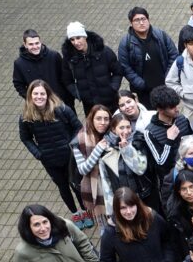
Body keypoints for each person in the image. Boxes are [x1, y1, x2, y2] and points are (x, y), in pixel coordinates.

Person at [18, 80, 90, 228]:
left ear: (48, 94)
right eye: (35, 94)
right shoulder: (26, 116)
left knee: (75, 184)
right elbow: (25, 138)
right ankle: (75, 213)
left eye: (42, 93)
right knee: (63, 187)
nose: (39, 97)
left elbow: (78, 128)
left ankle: (85, 210)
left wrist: (72, 146)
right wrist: (38, 153)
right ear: (30, 96)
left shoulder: (62, 109)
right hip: (49, 159)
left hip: (69, 157)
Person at [70, 104, 123, 230]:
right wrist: (98, 149)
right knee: (105, 226)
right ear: (91, 119)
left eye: (106, 119)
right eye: (98, 118)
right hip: (97, 189)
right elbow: (83, 169)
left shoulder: (113, 135)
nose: (103, 122)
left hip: (114, 184)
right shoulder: (79, 141)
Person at [117, 8, 178, 109]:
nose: (141, 23)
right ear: (131, 23)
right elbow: (125, 67)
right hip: (143, 92)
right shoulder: (126, 43)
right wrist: (140, 83)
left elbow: (173, 55)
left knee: (169, 113)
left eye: (143, 19)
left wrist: (169, 77)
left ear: (148, 20)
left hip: (165, 87)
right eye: (137, 20)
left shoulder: (160, 35)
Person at [100, 114, 159, 213]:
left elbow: (140, 169)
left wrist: (127, 149)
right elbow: (106, 181)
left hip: (145, 196)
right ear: (114, 129)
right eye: (121, 128)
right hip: (124, 201)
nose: (126, 131)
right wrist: (111, 210)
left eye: (128, 127)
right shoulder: (105, 149)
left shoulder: (139, 140)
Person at [60, 22, 122, 115]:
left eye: (78, 38)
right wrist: (79, 94)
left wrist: (113, 88)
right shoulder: (69, 58)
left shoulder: (104, 51)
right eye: (72, 39)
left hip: (110, 101)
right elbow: (67, 80)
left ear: (85, 36)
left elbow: (118, 71)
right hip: (89, 105)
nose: (76, 42)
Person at [142, 87, 193, 191]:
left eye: (176, 105)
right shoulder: (150, 132)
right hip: (171, 179)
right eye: (172, 107)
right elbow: (160, 162)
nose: (177, 109)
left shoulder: (182, 119)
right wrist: (169, 141)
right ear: (160, 109)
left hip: (191, 172)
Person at [12, 29, 73, 107]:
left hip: (60, 101)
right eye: (31, 44)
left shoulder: (54, 56)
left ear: (40, 42)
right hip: (39, 105)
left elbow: (65, 76)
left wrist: (68, 97)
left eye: (37, 43)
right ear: (25, 45)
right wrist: (31, 98)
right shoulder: (19, 63)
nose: (35, 47)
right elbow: (18, 84)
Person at [165, 26, 193, 123]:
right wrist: (182, 93)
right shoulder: (180, 61)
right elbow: (170, 82)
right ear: (185, 45)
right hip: (190, 110)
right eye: (190, 44)